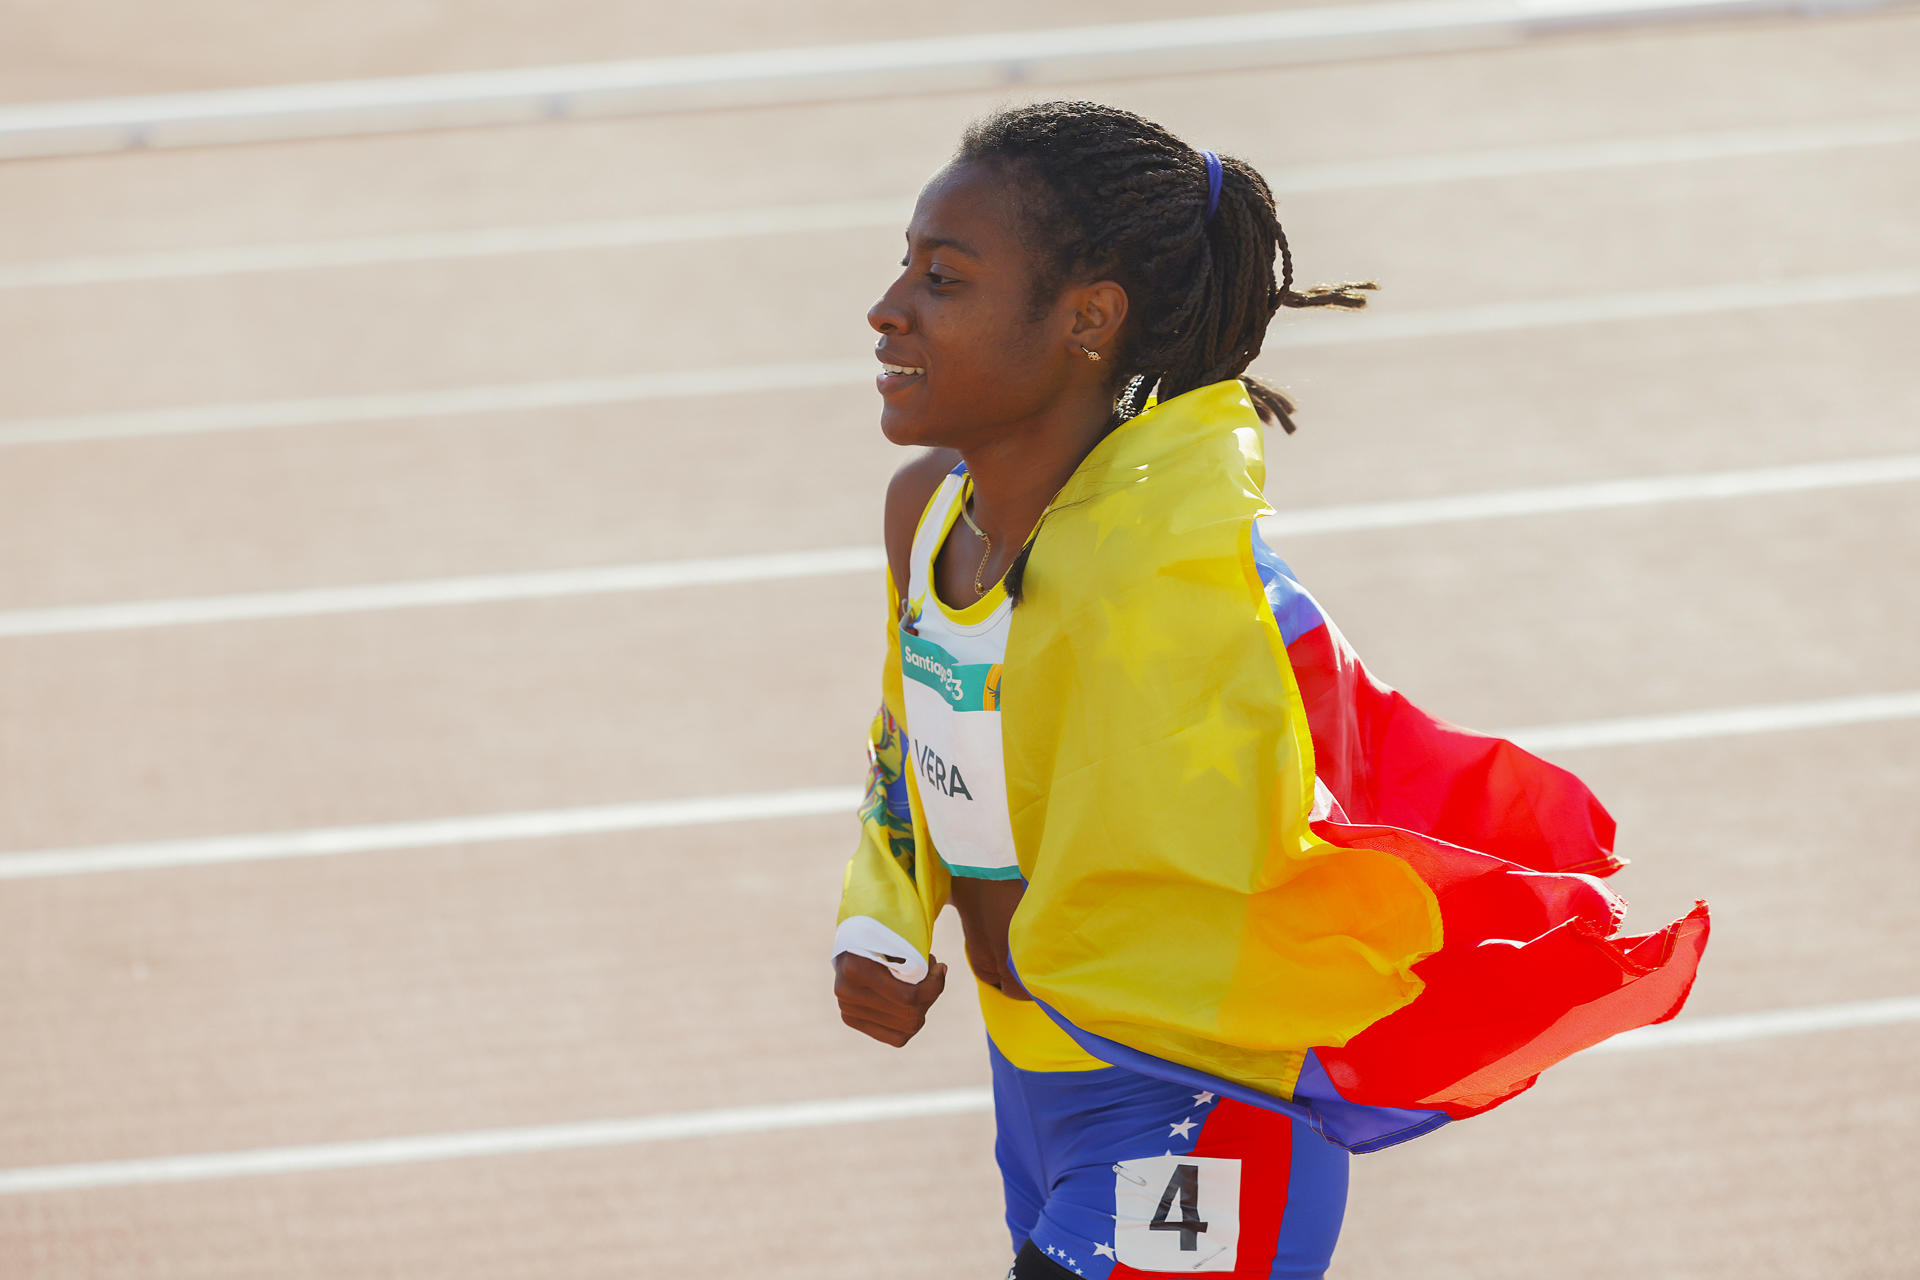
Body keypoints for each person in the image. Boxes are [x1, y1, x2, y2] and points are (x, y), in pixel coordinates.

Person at [830, 101, 1708, 1280]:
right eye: (905, 264)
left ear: (1090, 318)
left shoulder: (1179, 584)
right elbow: (910, 733)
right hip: (1037, 1084)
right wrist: (879, 915)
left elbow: (1308, 801)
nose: (888, 306)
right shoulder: (930, 514)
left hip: (1194, 1098)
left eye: (943, 277)